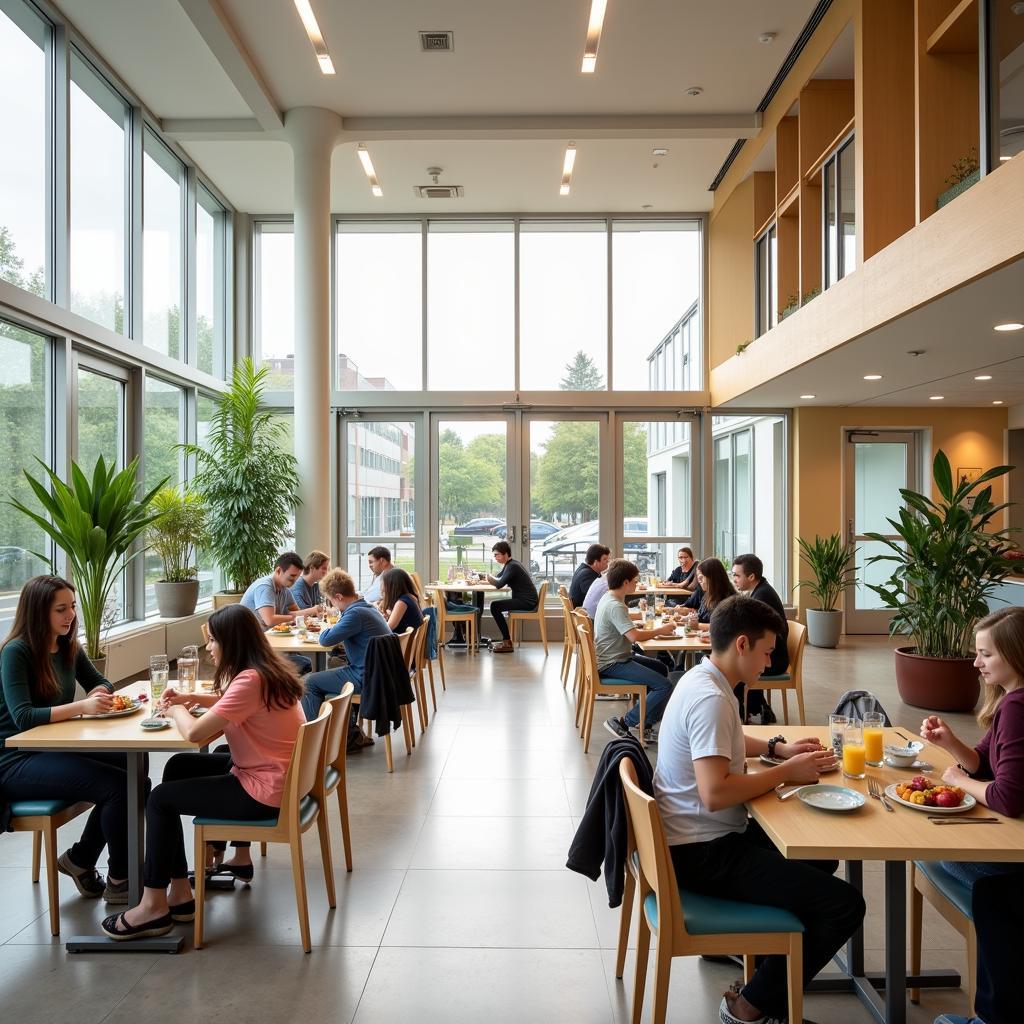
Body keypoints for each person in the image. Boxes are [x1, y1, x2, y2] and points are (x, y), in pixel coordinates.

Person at [654, 594, 865, 1024]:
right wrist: (787, 770)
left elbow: (726, 741)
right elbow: (715, 793)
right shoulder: (711, 700)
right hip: (703, 853)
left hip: (695, 839)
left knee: (819, 854)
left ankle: (758, 952)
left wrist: (776, 746)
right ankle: (751, 1008)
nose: (770, 663)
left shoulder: (704, 680)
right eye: (768, 651)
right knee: (845, 905)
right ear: (744, 644)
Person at [99, 604, 304, 940]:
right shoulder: (264, 671)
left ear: (231, 642)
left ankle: (152, 905)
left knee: (160, 799)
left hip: (263, 791)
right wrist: (191, 697)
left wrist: (177, 707)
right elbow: (228, 703)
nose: (210, 648)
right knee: (180, 765)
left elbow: (194, 734)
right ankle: (179, 893)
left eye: (213, 641)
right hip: (278, 777)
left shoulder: (250, 680)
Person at [0, 576, 131, 903]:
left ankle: (81, 859)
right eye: (61, 609)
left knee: (135, 773)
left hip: (51, 746)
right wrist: (82, 706)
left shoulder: (67, 644)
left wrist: (99, 693)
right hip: (16, 759)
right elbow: (24, 717)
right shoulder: (16, 652)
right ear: (37, 612)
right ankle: (121, 881)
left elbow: (102, 681)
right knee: (117, 786)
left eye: (72, 607)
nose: (70, 615)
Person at [922, 605, 1024, 892]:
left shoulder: (1017, 707)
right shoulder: (1011, 699)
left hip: (1015, 855)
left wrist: (959, 780)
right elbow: (984, 763)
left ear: (1016, 655)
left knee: (938, 850)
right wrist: (950, 743)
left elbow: (1007, 799)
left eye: (986, 655)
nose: (976, 663)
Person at [598, 559, 680, 743]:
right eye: (635, 580)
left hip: (615, 656)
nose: (637, 583)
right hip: (613, 662)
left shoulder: (609, 597)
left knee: (661, 669)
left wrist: (636, 626)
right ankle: (625, 722)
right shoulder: (616, 605)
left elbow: (624, 629)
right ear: (625, 582)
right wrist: (661, 630)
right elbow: (634, 637)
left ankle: (647, 723)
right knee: (664, 685)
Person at [300, 567, 391, 723]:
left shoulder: (355, 614)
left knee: (308, 683)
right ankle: (346, 731)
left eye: (330, 600)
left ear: (338, 597)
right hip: (381, 674)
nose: (332, 605)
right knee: (332, 665)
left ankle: (315, 738)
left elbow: (325, 640)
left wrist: (329, 624)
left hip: (367, 678)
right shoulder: (366, 607)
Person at [731, 553, 788, 724]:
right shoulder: (759, 590)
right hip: (771, 653)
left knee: (733, 668)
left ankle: (739, 716)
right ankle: (755, 707)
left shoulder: (762, 596)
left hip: (773, 659)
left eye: (737, 575)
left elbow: (752, 632)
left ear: (751, 576)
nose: (734, 579)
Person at [240, 551, 312, 674]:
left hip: (267, 642)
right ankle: (283, 691)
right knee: (303, 663)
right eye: (292, 576)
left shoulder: (284, 589)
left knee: (303, 660)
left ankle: (287, 691)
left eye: (297, 577)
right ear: (278, 570)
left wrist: (302, 615)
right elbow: (270, 619)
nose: (294, 581)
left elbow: (296, 613)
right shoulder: (265, 586)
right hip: (251, 649)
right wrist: (295, 617)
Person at [482, 541, 539, 654]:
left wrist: (488, 577)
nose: (496, 558)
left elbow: (499, 584)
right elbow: (499, 577)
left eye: (497, 555)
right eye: (494, 555)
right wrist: (487, 577)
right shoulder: (511, 564)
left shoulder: (512, 566)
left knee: (494, 606)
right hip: (526, 600)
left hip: (527, 602)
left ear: (506, 554)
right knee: (495, 606)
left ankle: (507, 641)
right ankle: (506, 640)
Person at [680, 557, 734, 626]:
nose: (699, 581)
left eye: (701, 577)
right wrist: (688, 618)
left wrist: (698, 626)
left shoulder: (727, 600)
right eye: (698, 578)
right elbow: (702, 616)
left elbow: (721, 627)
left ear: (712, 578)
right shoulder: (708, 594)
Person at [380, 567, 424, 636]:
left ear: (392, 586)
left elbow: (388, 628)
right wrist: (391, 615)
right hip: (408, 643)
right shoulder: (411, 597)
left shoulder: (402, 603)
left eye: (384, 584)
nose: (382, 588)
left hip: (402, 645)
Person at [568, 544, 610, 609]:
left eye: (608, 559)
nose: (608, 561)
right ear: (595, 562)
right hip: (583, 615)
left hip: (581, 612)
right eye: (605, 559)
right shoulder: (587, 574)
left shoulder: (583, 569)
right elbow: (597, 595)